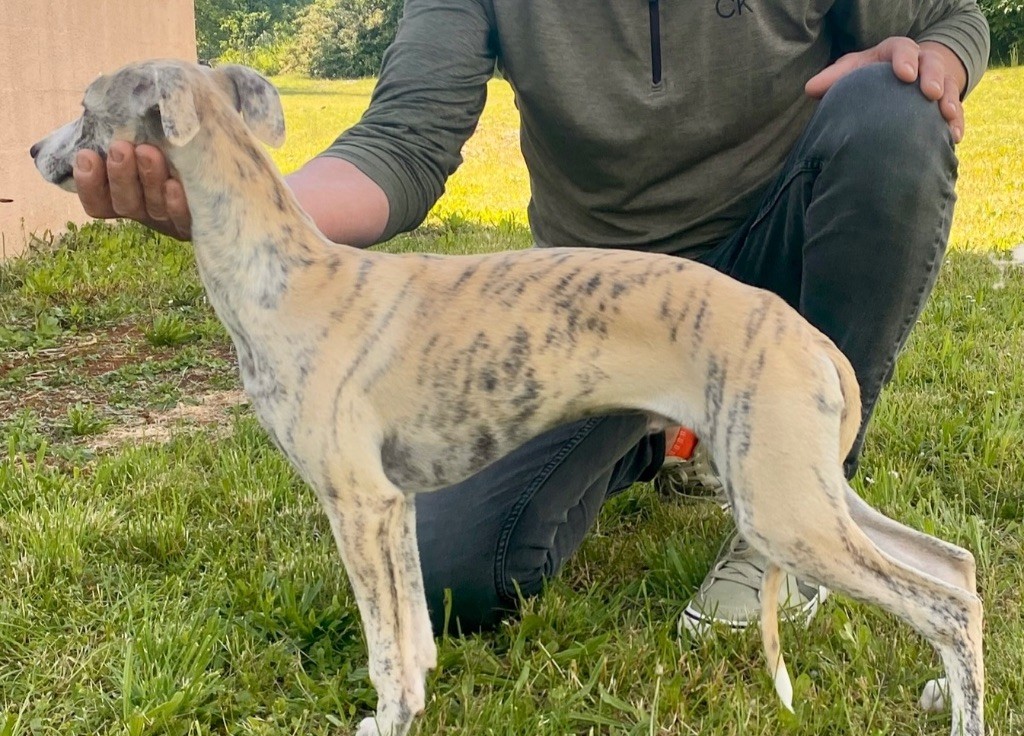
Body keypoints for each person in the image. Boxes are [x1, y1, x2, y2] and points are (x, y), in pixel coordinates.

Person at [72, 1, 989, 636]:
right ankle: (664, 436)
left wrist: (939, 61)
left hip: (764, 271)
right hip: (593, 319)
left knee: (893, 113)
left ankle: (798, 511)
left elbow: (954, 18)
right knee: (451, 579)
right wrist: (244, 209)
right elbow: (405, 139)